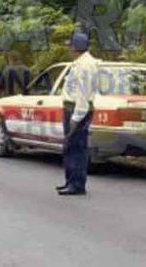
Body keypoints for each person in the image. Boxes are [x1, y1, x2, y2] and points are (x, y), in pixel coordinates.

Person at [57, 32, 99, 196]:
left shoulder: (85, 65)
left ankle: (77, 184)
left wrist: (76, 117)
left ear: (76, 47)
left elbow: (83, 92)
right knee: (70, 146)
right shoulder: (81, 63)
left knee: (76, 147)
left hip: (77, 109)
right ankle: (70, 181)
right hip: (73, 107)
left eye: (71, 45)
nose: (69, 48)